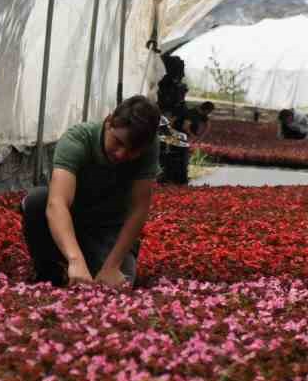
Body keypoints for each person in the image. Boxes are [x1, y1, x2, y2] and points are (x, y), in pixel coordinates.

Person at [21, 95, 161, 288]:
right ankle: (49, 268)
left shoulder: (150, 148)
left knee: (121, 281)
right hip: (71, 222)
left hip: (108, 229)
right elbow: (57, 203)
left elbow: (139, 209)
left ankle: (92, 263)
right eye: (118, 142)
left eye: (132, 151)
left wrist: (112, 266)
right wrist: (75, 260)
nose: (121, 154)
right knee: (37, 200)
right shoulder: (77, 139)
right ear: (109, 121)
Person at [156, 53, 190, 133]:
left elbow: (179, 103)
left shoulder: (176, 85)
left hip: (170, 111)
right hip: (167, 110)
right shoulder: (166, 82)